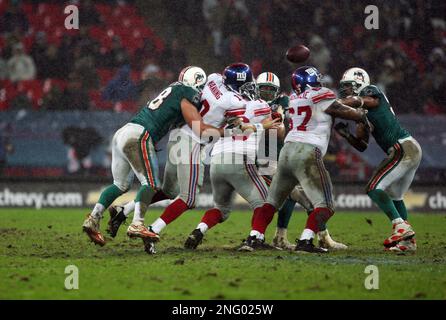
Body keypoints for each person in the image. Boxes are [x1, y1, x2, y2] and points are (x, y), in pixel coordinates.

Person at [82, 66, 221, 248]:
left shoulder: (173, 89)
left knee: (120, 185)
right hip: (140, 135)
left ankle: (93, 218)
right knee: (152, 184)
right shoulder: (188, 92)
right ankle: (137, 224)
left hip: (124, 132)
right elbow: (197, 127)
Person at [240, 66, 369, 253]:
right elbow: (343, 111)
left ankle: (254, 238)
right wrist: (361, 114)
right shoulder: (321, 93)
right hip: (307, 151)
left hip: (287, 150)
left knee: (271, 202)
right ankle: (306, 241)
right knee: (326, 205)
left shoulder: (293, 98)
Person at [183, 67, 282, 250]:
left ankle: (199, 230)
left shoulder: (228, 99)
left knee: (221, 209)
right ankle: (254, 238)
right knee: (266, 203)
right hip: (239, 159)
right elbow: (277, 131)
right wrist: (279, 118)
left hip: (217, 160)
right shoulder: (261, 105)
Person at [255, 71, 347, 251]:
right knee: (310, 201)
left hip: (281, 154)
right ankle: (318, 238)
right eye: (263, 88)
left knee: (289, 198)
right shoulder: (251, 104)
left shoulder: (284, 101)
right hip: (262, 160)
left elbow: (281, 131)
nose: (266, 93)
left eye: (270, 89)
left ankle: (278, 236)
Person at [335, 67, 422, 253]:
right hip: (408, 149)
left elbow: (366, 100)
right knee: (395, 196)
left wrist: (336, 104)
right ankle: (408, 242)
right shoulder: (361, 111)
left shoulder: (370, 92)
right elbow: (362, 144)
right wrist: (346, 135)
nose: (346, 90)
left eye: (349, 86)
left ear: (360, 84)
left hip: (402, 147)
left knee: (373, 187)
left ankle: (400, 226)